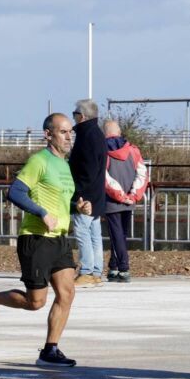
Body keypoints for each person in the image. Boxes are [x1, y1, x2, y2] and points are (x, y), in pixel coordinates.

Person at [0, 112, 81, 366]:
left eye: (70, 131)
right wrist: (41, 213)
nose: (68, 136)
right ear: (48, 134)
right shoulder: (38, 161)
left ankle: (50, 351)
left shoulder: (64, 165)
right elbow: (15, 192)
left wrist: (77, 207)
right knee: (35, 302)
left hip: (60, 238)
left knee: (67, 293)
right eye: (63, 132)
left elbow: (60, 202)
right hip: (36, 238)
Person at [101, 119, 148, 283]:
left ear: (104, 133)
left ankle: (123, 267)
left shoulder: (102, 151)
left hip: (111, 201)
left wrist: (119, 194)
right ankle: (114, 266)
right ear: (119, 132)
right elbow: (142, 173)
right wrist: (133, 194)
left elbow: (104, 177)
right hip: (129, 200)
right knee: (122, 235)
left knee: (116, 236)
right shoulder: (133, 150)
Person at [67, 100, 108, 283]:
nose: (73, 116)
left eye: (75, 113)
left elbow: (87, 169)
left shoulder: (86, 136)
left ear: (81, 116)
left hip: (85, 195)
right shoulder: (97, 133)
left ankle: (86, 270)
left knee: (83, 232)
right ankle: (96, 271)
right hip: (97, 193)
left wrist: (78, 195)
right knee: (94, 234)